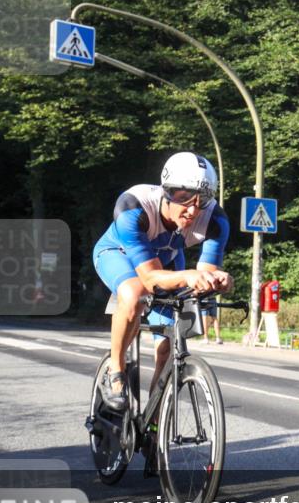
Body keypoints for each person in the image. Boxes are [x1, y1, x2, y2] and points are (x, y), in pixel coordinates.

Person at [92, 152, 232, 411]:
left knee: (169, 345)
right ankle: (116, 371)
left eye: (202, 200)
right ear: (167, 191)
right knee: (135, 294)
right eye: (184, 197)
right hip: (117, 254)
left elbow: (204, 276)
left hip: (168, 261)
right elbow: (149, 278)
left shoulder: (216, 220)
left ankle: (156, 418)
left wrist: (216, 280)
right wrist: (188, 275)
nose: (193, 210)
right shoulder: (133, 206)